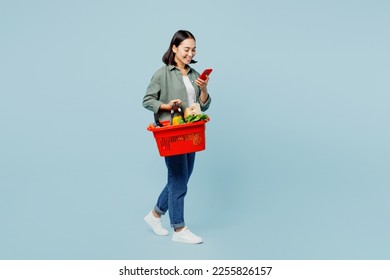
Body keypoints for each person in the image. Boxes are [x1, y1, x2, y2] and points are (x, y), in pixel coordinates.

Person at [142, 30, 211, 244]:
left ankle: (154, 215)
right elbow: (147, 100)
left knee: (182, 177)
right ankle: (179, 228)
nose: (190, 53)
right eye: (186, 49)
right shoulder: (162, 74)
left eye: (193, 49)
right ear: (174, 48)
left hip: (190, 131)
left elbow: (205, 104)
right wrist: (166, 105)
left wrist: (204, 89)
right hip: (172, 132)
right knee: (179, 178)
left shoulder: (193, 74)